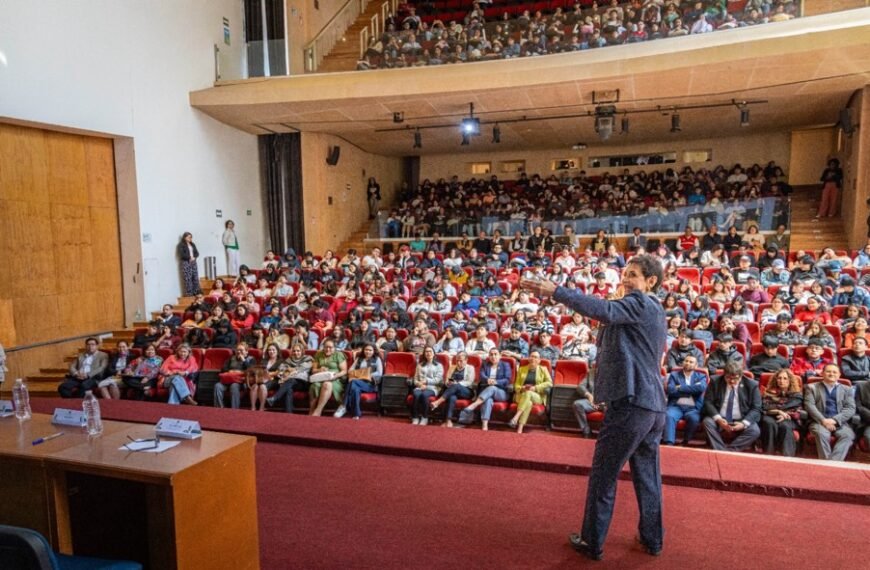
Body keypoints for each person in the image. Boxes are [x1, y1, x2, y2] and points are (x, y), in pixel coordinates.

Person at [521, 254, 666, 560]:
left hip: (630, 404)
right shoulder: (652, 310)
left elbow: (605, 310)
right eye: (625, 273)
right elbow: (611, 323)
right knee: (647, 476)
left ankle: (592, 541)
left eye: (634, 275)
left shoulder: (639, 303)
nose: (625, 279)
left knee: (604, 475)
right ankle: (652, 540)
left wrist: (556, 291)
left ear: (651, 281)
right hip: (652, 406)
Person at [702, 361, 762, 452]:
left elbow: (756, 408)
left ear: (741, 376)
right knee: (707, 422)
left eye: (736, 378)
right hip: (720, 418)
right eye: (728, 378)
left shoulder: (752, 385)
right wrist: (718, 419)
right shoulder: (715, 381)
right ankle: (720, 449)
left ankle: (730, 451)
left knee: (755, 430)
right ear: (724, 375)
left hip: (741, 419)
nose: (732, 381)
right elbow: (708, 402)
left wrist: (743, 424)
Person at [804, 364, 856, 461]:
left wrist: (834, 420)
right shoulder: (811, 388)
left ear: (839, 375)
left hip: (839, 422)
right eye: (828, 371)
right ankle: (826, 463)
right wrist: (823, 420)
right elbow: (809, 406)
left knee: (848, 435)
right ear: (822, 373)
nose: (831, 374)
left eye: (834, 372)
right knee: (821, 434)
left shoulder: (847, 389)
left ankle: (832, 463)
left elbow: (850, 408)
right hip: (818, 421)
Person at [459, 348, 512, 431]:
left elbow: (507, 379)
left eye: (495, 354)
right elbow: (482, 376)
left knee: (492, 388)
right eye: (491, 354)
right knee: (488, 400)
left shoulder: (505, 365)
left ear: (500, 356)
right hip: (487, 392)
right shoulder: (485, 364)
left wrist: (495, 382)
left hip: (501, 392)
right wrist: (487, 380)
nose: (493, 356)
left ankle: (474, 405)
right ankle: (484, 425)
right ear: (489, 356)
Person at [663, 355, 708, 446]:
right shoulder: (674, 375)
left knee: (694, 419)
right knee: (669, 415)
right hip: (676, 406)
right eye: (686, 361)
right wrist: (691, 390)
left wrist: (679, 388)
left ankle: (686, 441)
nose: (688, 363)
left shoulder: (701, 376)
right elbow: (671, 390)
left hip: (693, 408)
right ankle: (669, 442)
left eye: (691, 362)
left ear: (696, 365)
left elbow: (700, 388)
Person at [760, 368, 803, 456]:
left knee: (785, 425)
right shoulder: (768, 392)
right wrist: (778, 411)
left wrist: (784, 414)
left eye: (785, 378)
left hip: (789, 417)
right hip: (770, 416)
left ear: (790, 380)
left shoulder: (796, 394)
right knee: (769, 423)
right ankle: (768, 454)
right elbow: (764, 407)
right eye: (779, 378)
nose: (781, 381)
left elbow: (794, 408)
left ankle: (787, 456)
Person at [508, 350, 553, 434]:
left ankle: (515, 418)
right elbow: (516, 385)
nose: (533, 358)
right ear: (528, 358)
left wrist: (535, 388)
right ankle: (520, 428)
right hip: (521, 395)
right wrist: (522, 388)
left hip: (537, 396)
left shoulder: (543, 369)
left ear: (539, 360)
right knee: (528, 403)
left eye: (536, 357)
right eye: (531, 356)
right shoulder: (522, 369)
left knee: (528, 393)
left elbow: (549, 383)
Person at [335, 343, 383, 420]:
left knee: (353, 382)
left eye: (370, 350)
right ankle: (356, 414)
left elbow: (379, 373)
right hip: (358, 382)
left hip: (370, 384)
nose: (368, 352)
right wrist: (357, 374)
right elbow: (351, 369)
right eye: (366, 349)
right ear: (363, 350)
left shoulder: (377, 359)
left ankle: (343, 406)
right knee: (355, 389)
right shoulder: (359, 358)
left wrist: (367, 374)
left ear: (374, 351)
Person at [430, 351, 476, 427]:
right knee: (452, 397)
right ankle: (448, 421)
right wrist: (448, 383)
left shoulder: (470, 368)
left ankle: (437, 402)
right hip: (452, 391)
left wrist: (456, 384)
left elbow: (469, 382)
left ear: (466, 360)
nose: (458, 362)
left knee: (455, 386)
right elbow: (447, 380)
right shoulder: (452, 367)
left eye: (461, 360)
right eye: (457, 360)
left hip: (466, 391)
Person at [266, 343, 313, 413]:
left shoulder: (307, 359)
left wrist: (290, 369)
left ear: (302, 351)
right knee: (289, 389)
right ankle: (289, 412)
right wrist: (289, 369)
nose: (296, 353)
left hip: (303, 382)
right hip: (290, 381)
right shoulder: (289, 359)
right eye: (294, 351)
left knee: (291, 381)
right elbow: (281, 367)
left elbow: (300, 369)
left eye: (298, 351)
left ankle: (275, 398)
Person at [309, 339, 348, 416]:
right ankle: (311, 410)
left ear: (334, 348)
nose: (328, 349)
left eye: (330, 347)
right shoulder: (318, 354)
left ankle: (318, 411)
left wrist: (335, 376)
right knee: (315, 386)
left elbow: (344, 371)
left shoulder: (339, 355)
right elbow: (313, 370)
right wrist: (319, 370)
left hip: (335, 379)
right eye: (326, 347)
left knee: (327, 384)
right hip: (320, 378)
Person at [409, 346, 444, 425]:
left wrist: (426, 382)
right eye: (426, 352)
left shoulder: (439, 366)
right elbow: (415, 379)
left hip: (433, 387)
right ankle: (415, 417)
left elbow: (438, 380)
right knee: (416, 394)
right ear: (424, 354)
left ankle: (425, 417)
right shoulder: (420, 365)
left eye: (430, 351)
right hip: (420, 386)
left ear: (434, 353)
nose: (428, 353)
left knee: (424, 395)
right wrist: (419, 384)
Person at [214, 343, 255, 409]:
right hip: (228, 380)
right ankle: (219, 408)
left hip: (240, 382)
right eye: (237, 350)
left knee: (234, 386)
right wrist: (231, 371)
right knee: (218, 386)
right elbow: (223, 368)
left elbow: (252, 371)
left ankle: (234, 409)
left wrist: (244, 361)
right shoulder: (231, 358)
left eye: (241, 350)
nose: (239, 352)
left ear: (246, 351)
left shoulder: (251, 359)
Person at [177, 232, 201, 296]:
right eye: (188, 237)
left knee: (195, 277)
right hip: (186, 262)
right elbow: (181, 254)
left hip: (193, 261)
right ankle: (189, 294)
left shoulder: (192, 244)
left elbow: (197, 253)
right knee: (188, 278)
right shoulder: (181, 245)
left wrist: (194, 257)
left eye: (191, 237)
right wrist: (189, 257)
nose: (190, 238)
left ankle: (196, 292)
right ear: (185, 237)